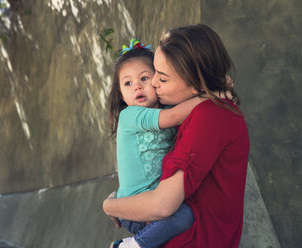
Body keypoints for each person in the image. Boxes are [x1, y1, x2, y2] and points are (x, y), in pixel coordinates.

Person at [103, 24, 250, 248]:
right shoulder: (197, 111)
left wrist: (110, 206)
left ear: (195, 85)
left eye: (160, 78)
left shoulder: (208, 116)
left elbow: (163, 206)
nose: (151, 84)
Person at [106, 39, 205, 248]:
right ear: (121, 95)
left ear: (158, 80)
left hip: (152, 200)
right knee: (184, 216)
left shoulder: (164, 110)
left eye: (144, 78)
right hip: (136, 207)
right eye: (128, 83)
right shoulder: (130, 115)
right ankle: (133, 245)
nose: (137, 86)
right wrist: (210, 97)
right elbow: (174, 117)